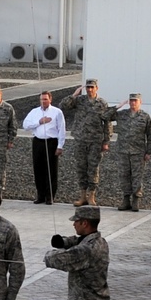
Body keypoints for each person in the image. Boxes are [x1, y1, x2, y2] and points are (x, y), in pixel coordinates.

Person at [60, 79, 111, 207]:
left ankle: (91, 195)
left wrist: (106, 141)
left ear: (96, 88)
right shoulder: (80, 100)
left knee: (93, 168)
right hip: (81, 139)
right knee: (81, 168)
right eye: (87, 87)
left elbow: (107, 123)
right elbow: (63, 106)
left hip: (95, 141)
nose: (89, 90)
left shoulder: (102, 103)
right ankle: (82, 195)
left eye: (92, 87)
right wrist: (74, 94)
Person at [103, 93, 151, 211]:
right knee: (124, 175)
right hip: (123, 151)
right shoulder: (122, 115)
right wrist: (118, 106)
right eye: (131, 101)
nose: (133, 103)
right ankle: (126, 199)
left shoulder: (145, 117)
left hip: (138, 152)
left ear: (140, 102)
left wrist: (149, 151)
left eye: (135, 101)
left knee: (137, 176)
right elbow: (105, 116)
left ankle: (136, 199)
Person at [22, 91, 66, 205]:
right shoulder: (34, 112)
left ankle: (50, 196)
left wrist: (60, 146)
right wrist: (39, 122)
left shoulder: (57, 112)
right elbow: (25, 125)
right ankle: (40, 195)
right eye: (42, 99)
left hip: (51, 142)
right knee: (38, 169)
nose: (43, 101)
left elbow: (62, 130)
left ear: (50, 100)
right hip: (38, 142)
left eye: (45, 99)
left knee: (51, 170)